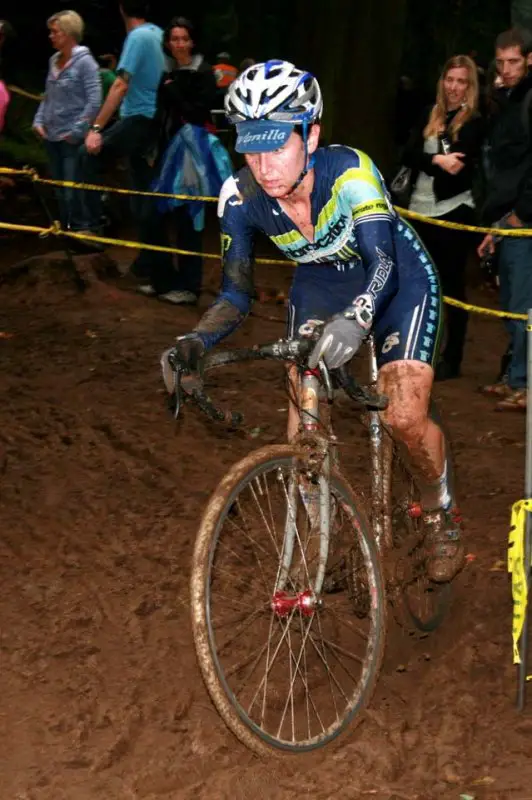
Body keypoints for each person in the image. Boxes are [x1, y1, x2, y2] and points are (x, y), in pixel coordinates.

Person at [161, 60, 465, 584]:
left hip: (394, 276)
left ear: (312, 134)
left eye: (277, 144)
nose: (263, 164)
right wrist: (194, 341)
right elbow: (235, 294)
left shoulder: (350, 173)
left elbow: (384, 265)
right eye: (249, 145)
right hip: (321, 284)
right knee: (303, 423)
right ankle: (314, 541)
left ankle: (439, 510)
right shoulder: (239, 197)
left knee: (403, 417)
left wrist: (360, 316)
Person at [137, 16, 229, 305]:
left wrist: (173, 90)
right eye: (174, 39)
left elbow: (197, 113)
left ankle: (189, 287)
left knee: (189, 218)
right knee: (154, 216)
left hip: (192, 156)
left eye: (183, 38)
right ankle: (163, 280)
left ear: (192, 41)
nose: (178, 44)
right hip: (167, 153)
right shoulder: (169, 71)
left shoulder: (202, 73)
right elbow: (162, 116)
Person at [404, 55, 484, 381]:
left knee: (451, 286)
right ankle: (420, 350)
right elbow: (406, 154)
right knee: (420, 283)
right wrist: (436, 157)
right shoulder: (429, 113)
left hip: (453, 211)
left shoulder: (475, 121)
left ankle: (453, 358)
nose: (453, 87)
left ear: (469, 86)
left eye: (461, 81)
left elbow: (458, 173)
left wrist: (436, 153)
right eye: (449, 80)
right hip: (418, 210)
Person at [478, 28, 532, 411]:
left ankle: (524, 382)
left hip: (523, 218)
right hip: (504, 214)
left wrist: (519, 214)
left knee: (522, 305)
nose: (507, 68)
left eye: (514, 61)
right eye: (501, 62)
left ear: (530, 59)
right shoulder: (508, 99)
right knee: (510, 300)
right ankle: (513, 373)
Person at [82, 1, 164, 248]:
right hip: (156, 118)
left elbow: (120, 85)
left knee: (88, 155)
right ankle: (147, 259)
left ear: (121, 9)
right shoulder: (159, 34)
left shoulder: (137, 37)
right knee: (142, 189)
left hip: (138, 117)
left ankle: (94, 224)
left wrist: (96, 128)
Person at [32, 10, 101, 232]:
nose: (51, 36)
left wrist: (77, 130)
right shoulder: (53, 60)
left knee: (74, 188)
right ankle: (67, 230)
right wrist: (38, 120)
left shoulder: (86, 62)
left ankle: (85, 229)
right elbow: (48, 96)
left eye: (55, 32)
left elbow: (95, 99)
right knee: (59, 189)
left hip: (71, 139)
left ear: (69, 33)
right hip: (51, 136)